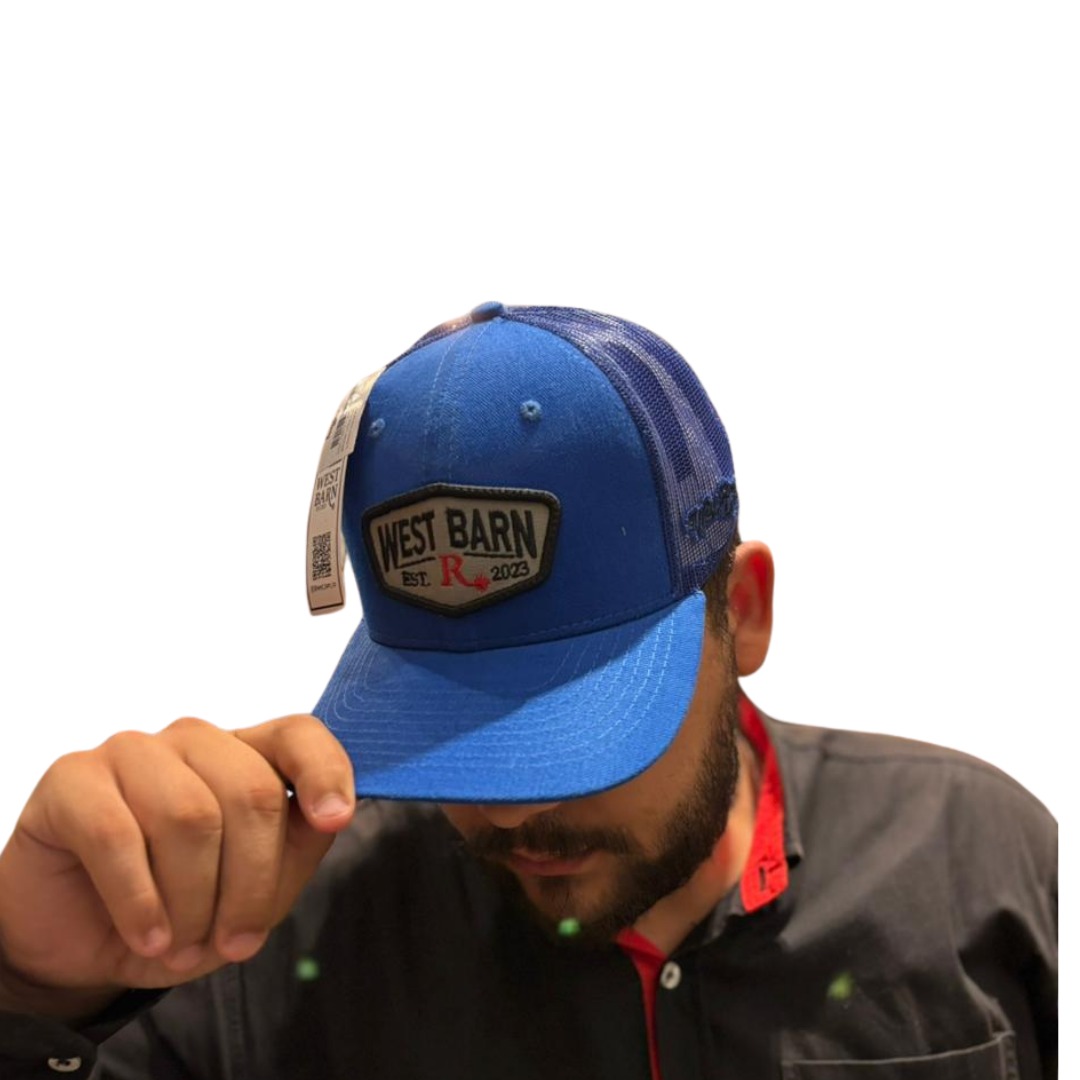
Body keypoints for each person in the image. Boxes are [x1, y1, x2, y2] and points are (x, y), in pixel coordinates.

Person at [0, 304, 1057, 1079]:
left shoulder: (987, 869)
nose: (506, 812)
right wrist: (32, 989)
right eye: (448, 725)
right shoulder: (267, 942)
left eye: (576, 722)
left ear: (741, 613)